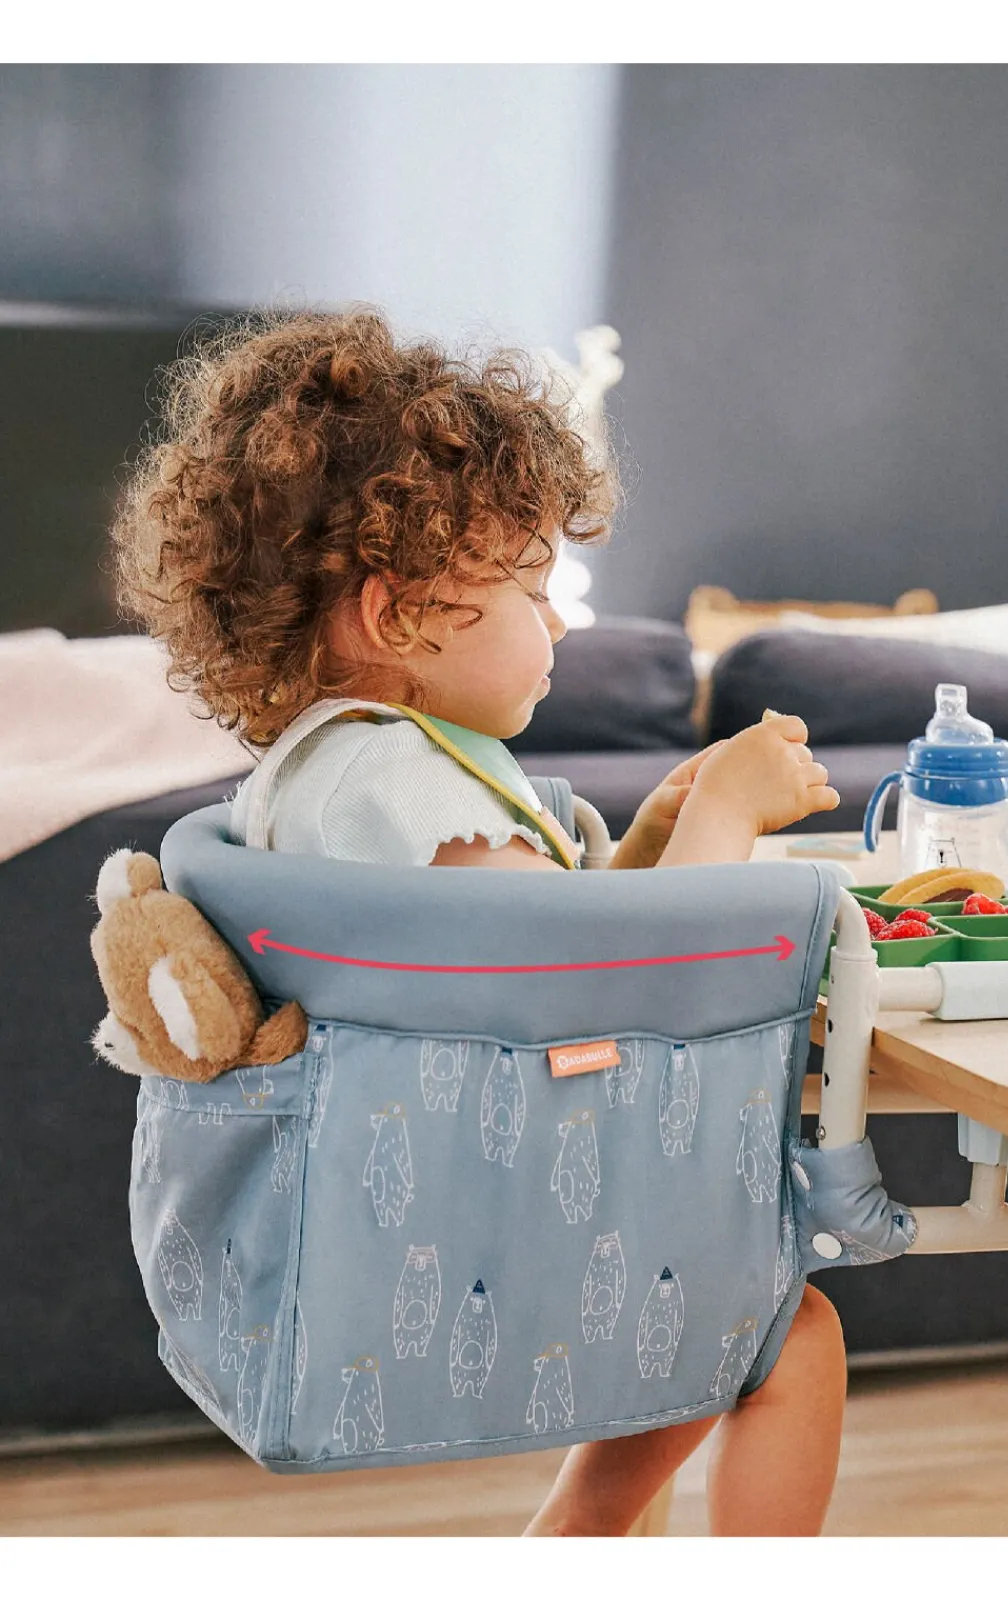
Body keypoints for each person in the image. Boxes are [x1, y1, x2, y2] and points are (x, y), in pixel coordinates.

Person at [110, 307, 848, 1535]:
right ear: (397, 615)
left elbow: (519, 952)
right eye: (527, 587)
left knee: (701, 1312)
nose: (557, 623)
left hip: (400, 1209)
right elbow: (616, 983)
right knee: (781, 1327)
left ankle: (576, 1536)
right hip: (475, 1234)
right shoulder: (410, 787)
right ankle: (585, 1535)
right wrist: (726, 807)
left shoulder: (313, 769)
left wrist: (653, 843)